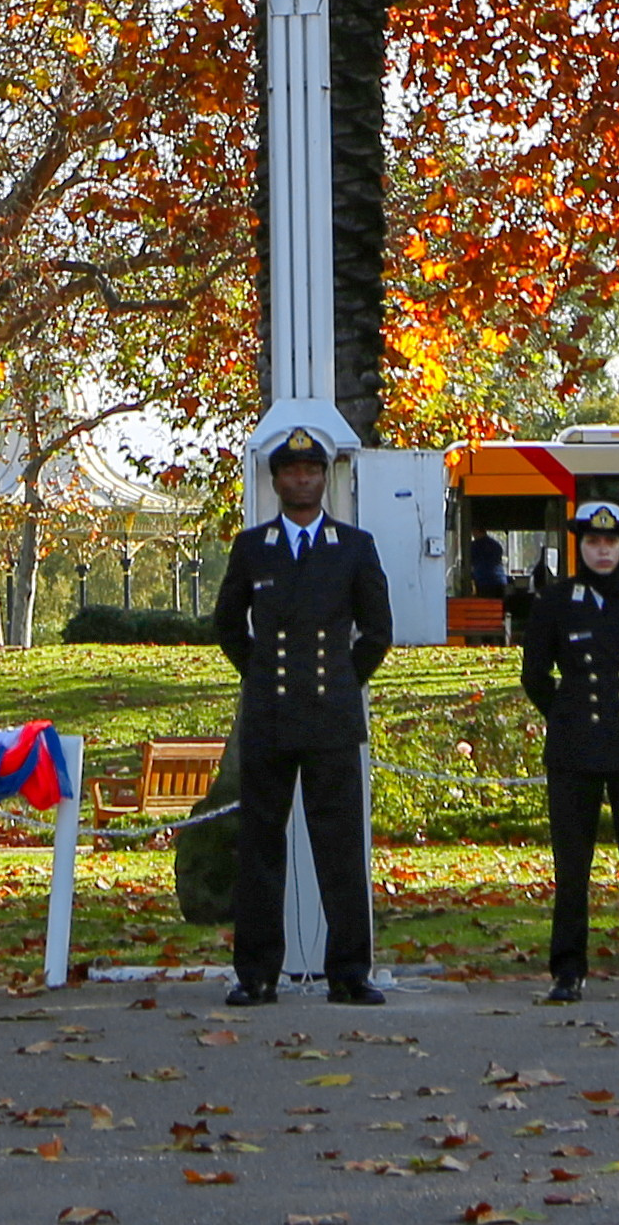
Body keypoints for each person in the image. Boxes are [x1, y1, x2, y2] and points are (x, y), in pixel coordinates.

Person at [207, 424, 393, 1008]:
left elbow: (377, 631)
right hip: (270, 715)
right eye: (291, 471)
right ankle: (257, 973)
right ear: (277, 480)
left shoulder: (354, 547)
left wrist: (341, 680)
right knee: (260, 847)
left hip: (331, 717)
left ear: (324, 478)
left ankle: (349, 972)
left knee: (339, 847)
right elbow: (228, 627)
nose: (303, 478)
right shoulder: (252, 547)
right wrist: (261, 673)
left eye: (312, 471)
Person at [516, 495, 619, 1003]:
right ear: (579, 545)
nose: (602, 551)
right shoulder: (555, 602)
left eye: (610, 541)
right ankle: (568, 969)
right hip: (574, 748)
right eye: (592, 541)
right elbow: (535, 676)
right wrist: (568, 714)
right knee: (571, 866)